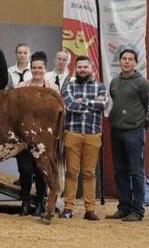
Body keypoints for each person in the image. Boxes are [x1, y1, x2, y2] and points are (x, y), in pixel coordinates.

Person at [106, 49, 149, 222]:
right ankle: (124, 207)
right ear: (119, 62)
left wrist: (142, 126)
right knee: (120, 171)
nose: (127, 62)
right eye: (124, 59)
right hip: (116, 131)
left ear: (135, 63)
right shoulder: (114, 82)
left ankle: (137, 210)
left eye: (130, 59)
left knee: (136, 172)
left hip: (134, 132)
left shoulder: (143, 84)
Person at [59, 56, 107, 221]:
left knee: (89, 173)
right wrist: (92, 103)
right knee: (71, 172)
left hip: (93, 134)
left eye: (85, 67)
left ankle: (90, 209)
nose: (82, 70)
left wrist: (83, 101)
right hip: (73, 133)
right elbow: (70, 105)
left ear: (91, 68)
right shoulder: (69, 85)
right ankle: (68, 208)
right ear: (75, 68)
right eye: (79, 67)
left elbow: (103, 105)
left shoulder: (100, 86)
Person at [16, 51, 58, 216]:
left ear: (45, 69)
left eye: (40, 68)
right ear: (30, 68)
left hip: (44, 140)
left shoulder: (53, 89)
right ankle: (25, 202)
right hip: (24, 138)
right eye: (34, 67)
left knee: (42, 171)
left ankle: (40, 203)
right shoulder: (21, 87)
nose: (37, 71)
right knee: (25, 170)